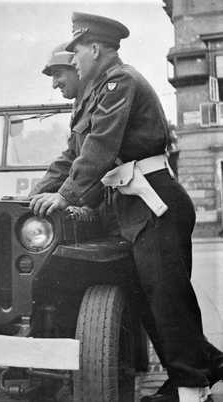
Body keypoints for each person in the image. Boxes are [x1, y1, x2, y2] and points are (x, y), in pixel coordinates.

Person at [30, 12, 222, 402]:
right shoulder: (97, 94)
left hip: (154, 203)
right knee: (149, 297)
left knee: (166, 298)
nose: (74, 60)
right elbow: (71, 157)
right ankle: (202, 368)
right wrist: (38, 192)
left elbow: (100, 148)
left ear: (96, 48)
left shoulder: (120, 82)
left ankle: (192, 389)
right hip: (134, 208)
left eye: (77, 51)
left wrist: (65, 196)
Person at [30, 41, 87, 197]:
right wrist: (32, 196)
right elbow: (70, 157)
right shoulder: (81, 106)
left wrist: (63, 195)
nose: (54, 85)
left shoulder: (100, 99)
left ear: (77, 68)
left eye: (57, 74)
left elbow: (94, 159)